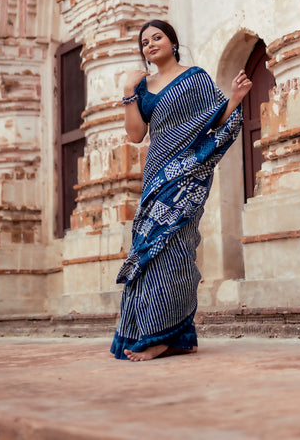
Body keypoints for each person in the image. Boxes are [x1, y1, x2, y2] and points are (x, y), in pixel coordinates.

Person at [110, 19, 252, 361]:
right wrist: (129, 89)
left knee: (175, 250)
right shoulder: (144, 87)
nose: (150, 44)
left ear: (173, 42)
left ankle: (163, 336)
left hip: (187, 176)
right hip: (156, 177)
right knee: (149, 251)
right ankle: (171, 335)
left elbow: (217, 121)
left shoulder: (196, 78)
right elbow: (134, 135)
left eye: (157, 37)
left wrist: (235, 98)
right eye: (144, 42)